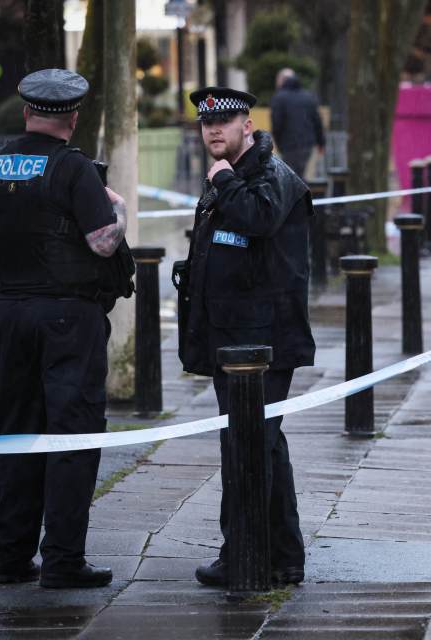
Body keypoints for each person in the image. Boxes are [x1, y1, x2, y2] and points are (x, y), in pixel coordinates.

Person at [0, 68, 129, 589]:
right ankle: (62, 561)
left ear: (27, 112)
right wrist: (117, 210)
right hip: (67, 318)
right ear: (72, 118)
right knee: (72, 436)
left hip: (10, 317)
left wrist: (0, 300)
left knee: (15, 433)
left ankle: (10, 556)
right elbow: (102, 242)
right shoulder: (74, 168)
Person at [180, 86, 315, 587]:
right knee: (264, 444)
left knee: (247, 446)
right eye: (206, 124)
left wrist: (224, 180)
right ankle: (284, 555)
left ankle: (242, 555)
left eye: (225, 121)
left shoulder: (271, 178)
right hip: (234, 339)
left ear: (248, 127)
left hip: (262, 344)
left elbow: (257, 219)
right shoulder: (234, 179)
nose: (213, 130)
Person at [269, 69, 325, 178]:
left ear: (281, 80)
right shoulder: (308, 96)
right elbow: (317, 121)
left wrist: (278, 144)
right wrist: (321, 143)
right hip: (308, 146)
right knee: (306, 179)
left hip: (288, 146)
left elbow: (277, 124)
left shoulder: (279, 98)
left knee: (289, 179)